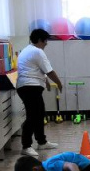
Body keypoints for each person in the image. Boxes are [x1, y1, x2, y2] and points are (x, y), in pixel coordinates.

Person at [16, 28, 63, 158]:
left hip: (28, 86)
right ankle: (26, 146)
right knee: (32, 116)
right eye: (45, 40)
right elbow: (49, 71)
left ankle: (41, 142)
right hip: (29, 87)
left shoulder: (27, 50)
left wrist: (46, 82)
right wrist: (59, 83)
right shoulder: (37, 51)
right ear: (39, 40)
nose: (46, 43)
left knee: (39, 114)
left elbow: (37, 69)